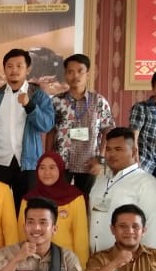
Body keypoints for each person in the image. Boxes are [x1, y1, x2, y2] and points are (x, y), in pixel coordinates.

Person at [0, 48, 55, 204]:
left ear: (28, 69)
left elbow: (46, 125)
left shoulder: (39, 96)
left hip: (28, 163)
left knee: (26, 208)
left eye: (19, 66)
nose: (14, 70)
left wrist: (29, 106)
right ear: (4, 69)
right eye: (10, 66)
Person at [89, 128, 156, 252]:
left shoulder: (147, 184)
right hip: (96, 259)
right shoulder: (100, 180)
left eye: (118, 149)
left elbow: (152, 232)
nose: (111, 154)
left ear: (134, 152)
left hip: (128, 261)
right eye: (108, 149)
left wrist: (141, 262)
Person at [48, 54, 115, 193]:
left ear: (88, 74)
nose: (75, 76)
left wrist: (100, 159)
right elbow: (51, 130)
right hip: (61, 161)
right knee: (58, 198)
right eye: (70, 72)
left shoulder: (98, 101)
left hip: (89, 162)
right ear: (65, 75)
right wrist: (48, 158)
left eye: (80, 71)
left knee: (85, 200)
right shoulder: (56, 101)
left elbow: (108, 131)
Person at [18, 152, 89, 266]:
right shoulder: (28, 199)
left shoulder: (75, 197)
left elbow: (81, 238)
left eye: (52, 167)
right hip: (34, 262)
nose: (47, 172)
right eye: (42, 168)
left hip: (66, 262)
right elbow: (22, 234)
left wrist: (81, 268)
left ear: (60, 169)